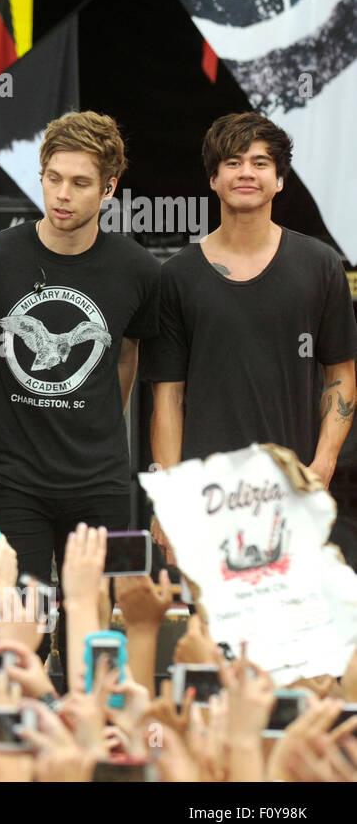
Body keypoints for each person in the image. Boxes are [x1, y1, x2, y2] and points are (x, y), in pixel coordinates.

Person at [0, 111, 160, 604]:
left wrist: (102, 421)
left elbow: (126, 355)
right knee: (22, 627)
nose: (62, 194)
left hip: (102, 481)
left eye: (80, 183)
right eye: (53, 179)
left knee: (96, 630)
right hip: (10, 479)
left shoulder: (139, 269)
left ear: (109, 189)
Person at [144, 112, 357, 554]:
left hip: (294, 493)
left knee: (292, 622)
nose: (246, 172)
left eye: (261, 163)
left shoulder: (320, 266)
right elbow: (168, 397)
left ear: (279, 180)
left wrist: (323, 463)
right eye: (234, 162)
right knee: (210, 625)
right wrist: (169, 498)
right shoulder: (177, 276)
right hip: (208, 499)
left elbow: (340, 373)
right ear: (213, 179)